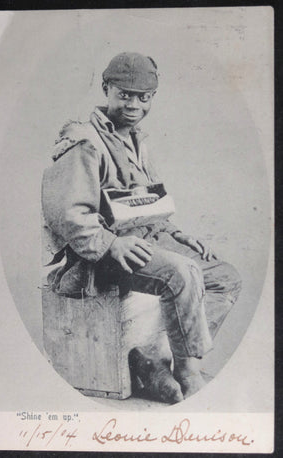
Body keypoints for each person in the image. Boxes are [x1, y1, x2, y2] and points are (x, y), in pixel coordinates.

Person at [42, 52, 242, 402]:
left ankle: (155, 360)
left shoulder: (136, 139)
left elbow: (147, 203)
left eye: (143, 97)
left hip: (146, 241)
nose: (134, 104)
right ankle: (187, 372)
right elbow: (68, 215)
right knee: (182, 272)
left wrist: (179, 235)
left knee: (224, 277)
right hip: (100, 256)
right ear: (106, 89)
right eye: (125, 94)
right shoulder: (84, 140)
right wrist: (111, 245)